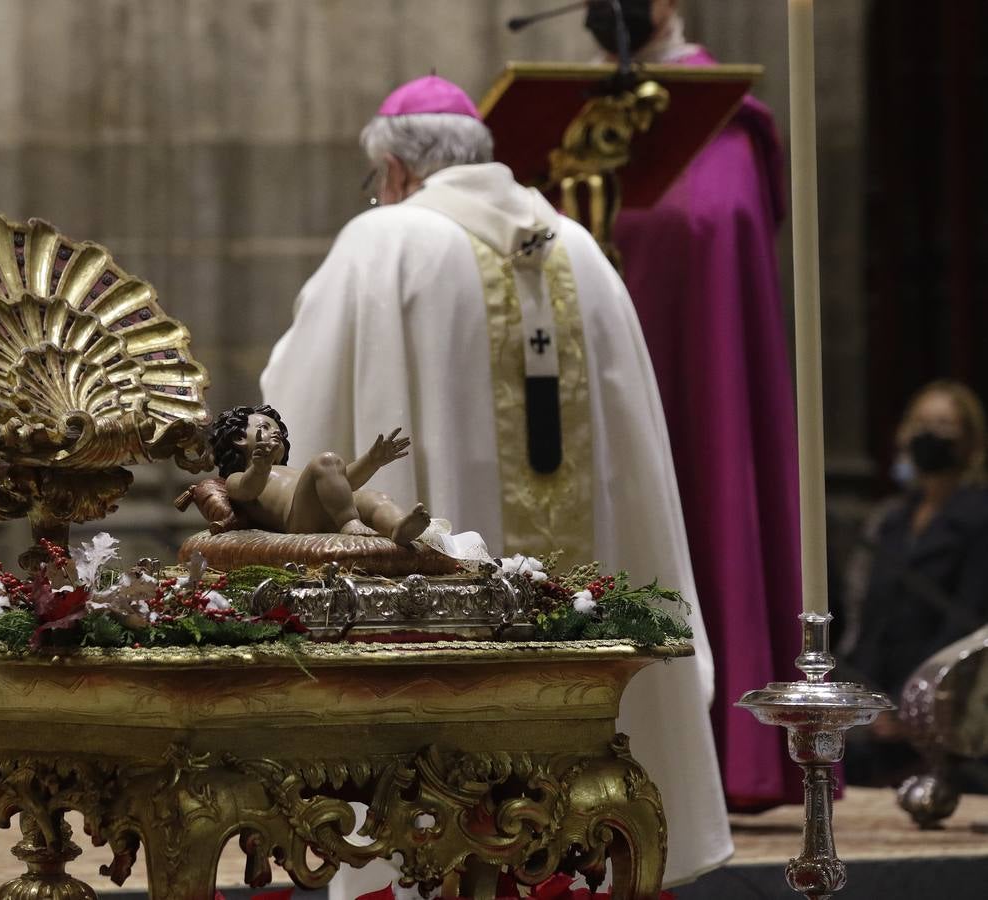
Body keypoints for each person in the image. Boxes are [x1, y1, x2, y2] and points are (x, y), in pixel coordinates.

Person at [260, 75, 730, 893]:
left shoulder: (387, 240)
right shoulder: (575, 246)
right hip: (584, 599)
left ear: (396, 169)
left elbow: (295, 407)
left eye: (376, 181)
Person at [587, 0, 805, 811]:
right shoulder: (573, 114)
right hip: (597, 392)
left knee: (711, 506)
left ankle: (732, 756)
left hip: (695, 382)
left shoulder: (727, 121)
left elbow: (713, 226)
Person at [842, 381, 988, 785]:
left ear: (970, 440)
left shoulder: (979, 516)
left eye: (944, 424)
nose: (929, 434)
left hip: (943, 699)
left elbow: (966, 618)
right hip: (877, 700)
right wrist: (868, 700)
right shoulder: (892, 518)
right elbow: (870, 616)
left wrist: (914, 702)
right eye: (922, 422)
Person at [209, 404, 429, 542]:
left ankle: (398, 526)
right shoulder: (237, 477)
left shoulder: (290, 472)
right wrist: (259, 468)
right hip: (300, 520)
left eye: (279, 432)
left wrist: (372, 461)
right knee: (326, 461)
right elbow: (248, 490)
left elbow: (343, 483)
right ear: (238, 438)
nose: (275, 434)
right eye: (266, 428)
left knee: (371, 497)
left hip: (327, 510)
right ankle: (349, 522)